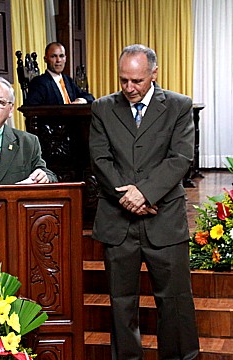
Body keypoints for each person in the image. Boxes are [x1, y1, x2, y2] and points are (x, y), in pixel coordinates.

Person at [89, 44, 199, 359]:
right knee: (121, 303)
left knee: (175, 300)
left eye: (136, 81)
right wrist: (128, 197)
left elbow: (180, 159)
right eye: (123, 80)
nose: (129, 88)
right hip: (117, 222)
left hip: (163, 220)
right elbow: (99, 159)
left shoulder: (179, 106)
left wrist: (145, 194)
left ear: (154, 73)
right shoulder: (103, 108)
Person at [25, 42, 95, 105]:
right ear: (45, 59)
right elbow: (33, 109)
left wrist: (80, 100)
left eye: (61, 56)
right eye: (54, 56)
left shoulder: (68, 80)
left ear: (65, 58)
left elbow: (89, 97)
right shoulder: (39, 83)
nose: (58, 60)